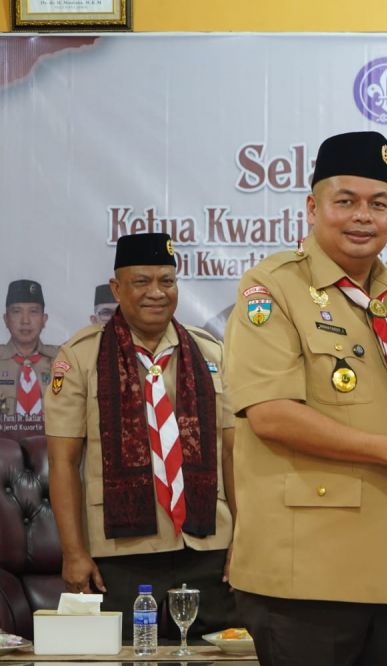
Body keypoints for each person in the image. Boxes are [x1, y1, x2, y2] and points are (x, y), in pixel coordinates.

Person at [223, 131, 387, 666]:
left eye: (378, 204)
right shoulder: (272, 289)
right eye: (346, 201)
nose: (363, 216)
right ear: (313, 208)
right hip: (310, 570)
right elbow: (271, 415)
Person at [44, 233, 238, 639]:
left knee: (218, 655)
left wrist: (245, 539)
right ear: (116, 288)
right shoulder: (81, 356)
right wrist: (74, 552)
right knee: (121, 654)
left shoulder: (210, 353)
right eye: (141, 282)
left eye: (167, 281)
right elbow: (63, 461)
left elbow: (233, 455)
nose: (156, 293)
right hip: (119, 549)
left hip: (206, 544)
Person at [0, 279, 58, 418]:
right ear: (6, 319)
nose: (25, 321)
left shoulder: (62, 359)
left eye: (33, 312)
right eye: (16, 311)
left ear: (44, 319)